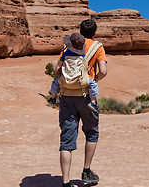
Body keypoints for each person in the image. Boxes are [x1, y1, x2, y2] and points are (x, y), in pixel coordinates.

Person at [54, 19, 107, 187]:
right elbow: (103, 71)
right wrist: (92, 80)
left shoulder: (67, 46)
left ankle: (65, 182)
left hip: (67, 96)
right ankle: (86, 170)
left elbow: (57, 70)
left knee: (66, 140)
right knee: (91, 132)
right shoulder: (97, 47)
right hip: (85, 95)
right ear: (94, 33)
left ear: (80, 31)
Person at [49, 33, 100, 113]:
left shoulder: (65, 54)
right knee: (93, 84)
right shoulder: (82, 55)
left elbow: (58, 69)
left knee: (55, 82)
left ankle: (53, 98)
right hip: (80, 81)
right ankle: (93, 101)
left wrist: (58, 73)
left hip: (65, 80)